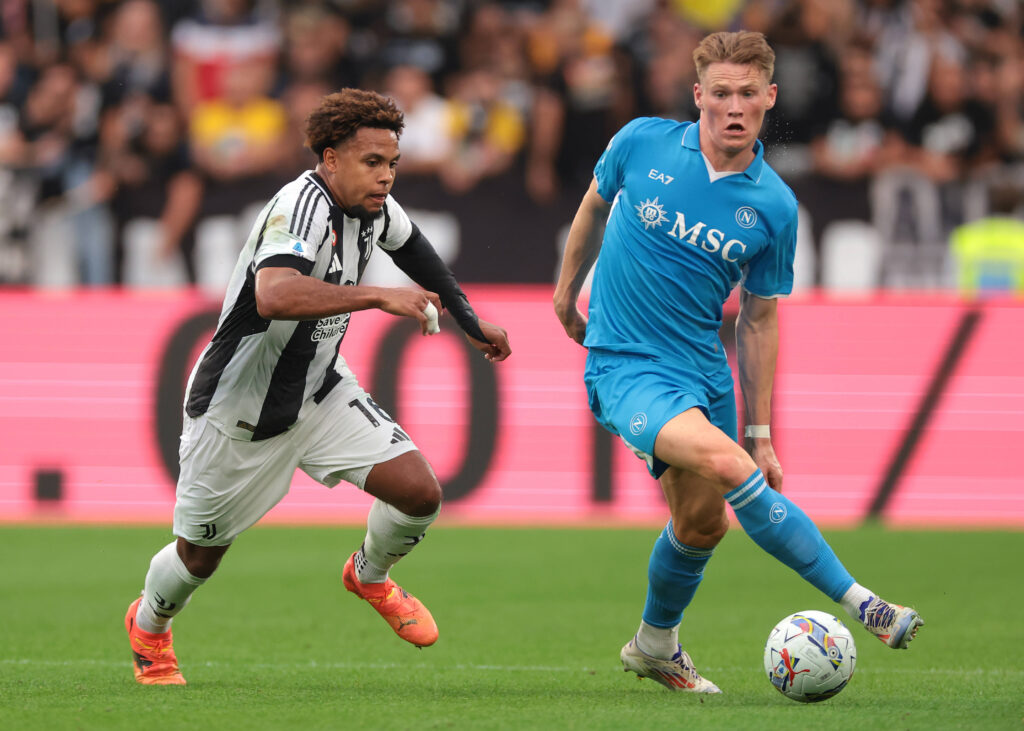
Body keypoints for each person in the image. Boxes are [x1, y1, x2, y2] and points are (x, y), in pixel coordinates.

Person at [553, 30, 923, 694]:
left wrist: (761, 431)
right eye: (720, 93)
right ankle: (863, 601)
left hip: (703, 372)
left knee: (702, 522)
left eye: (747, 93)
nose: (733, 106)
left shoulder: (775, 206)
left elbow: (758, 317)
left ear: (768, 98)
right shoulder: (641, 141)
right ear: (698, 96)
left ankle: (654, 645)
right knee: (731, 469)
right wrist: (563, 295)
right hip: (625, 366)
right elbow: (592, 206)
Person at [125, 88, 511, 685]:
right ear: (330, 159)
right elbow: (274, 293)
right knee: (198, 558)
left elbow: (416, 251)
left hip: (320, 392)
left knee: (419, 492)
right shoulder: (299, 206)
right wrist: (378, 294)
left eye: (392, 164)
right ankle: (150, 625)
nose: (385, 178)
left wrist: (467, 317)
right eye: (372, 163)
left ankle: (370, 575)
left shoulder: (374, 208)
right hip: (240, 413)